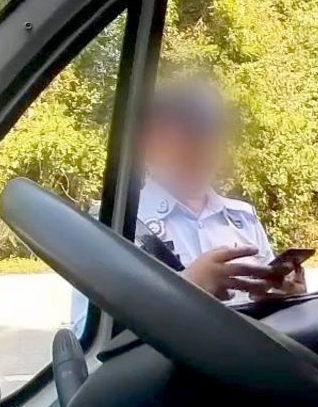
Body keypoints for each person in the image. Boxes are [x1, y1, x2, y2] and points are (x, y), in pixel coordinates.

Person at [71, 79, 299, 331]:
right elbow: (88, 334)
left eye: (210, 132)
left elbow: (267, 312)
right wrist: (185, 291)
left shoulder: (243, 218)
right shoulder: (113, 222)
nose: (200, 146)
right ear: (148, 144)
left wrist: (290, 298)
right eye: (185, 133)